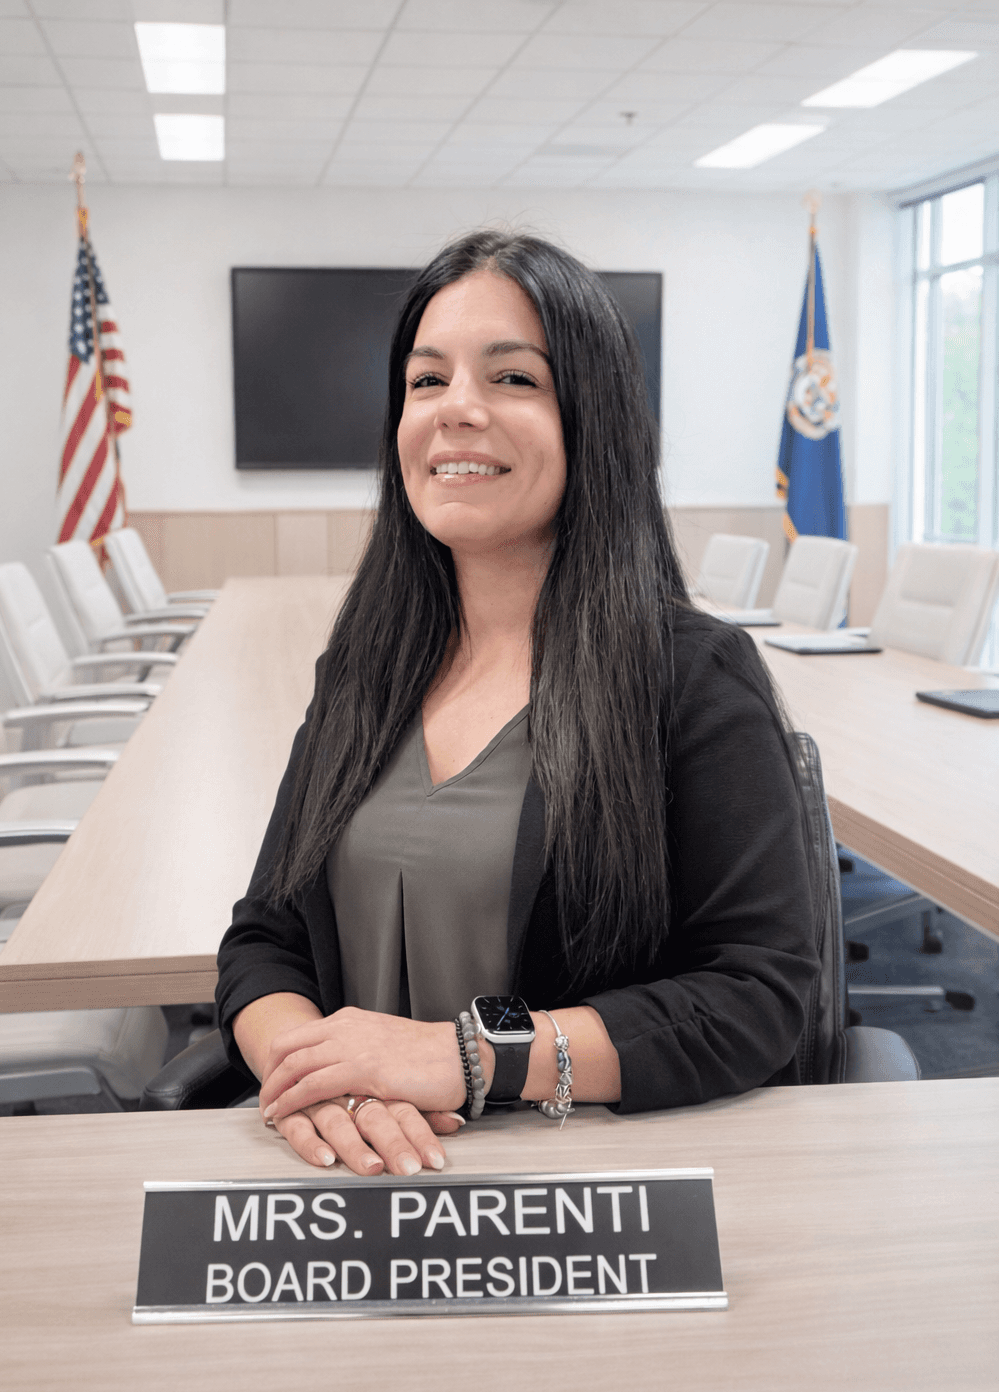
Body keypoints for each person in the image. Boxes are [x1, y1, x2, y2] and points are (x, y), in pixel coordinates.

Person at [216, 229, 819, 1177]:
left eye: (513, 379)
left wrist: (465, 1058)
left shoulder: (692, 676)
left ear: (593, 418)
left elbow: (756, 996)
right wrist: (317, 1076)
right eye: (426, 381)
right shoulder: (363, 671)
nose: (457, 410)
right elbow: (265, 938)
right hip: (352, 1175)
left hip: (583, 1200)